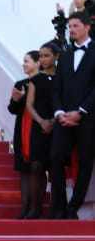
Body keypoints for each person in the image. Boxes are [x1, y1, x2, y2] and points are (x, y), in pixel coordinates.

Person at [50, 12, 95, 219]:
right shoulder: (66, 54)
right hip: (64, 119)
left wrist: (81, 112)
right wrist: (60, 112)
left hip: (88, 119)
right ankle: (59, 207)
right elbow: (56, 88)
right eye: (70, 26)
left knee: (86, 163)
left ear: (87, 27)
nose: (72, 30)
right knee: (56, 158)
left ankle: (73, 208)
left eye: (76, 26)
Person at [13, 44, 58, 219]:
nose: (43, 59)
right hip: (33, 128)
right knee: (34, 165)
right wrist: (18, 100)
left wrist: (53, 121)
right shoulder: (30, 82)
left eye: (46, 56)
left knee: (47, 166)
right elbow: (21, 107)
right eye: (41, 56)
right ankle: (30, 208)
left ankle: (46, 208)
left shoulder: (59, 78)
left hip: (55, 125)